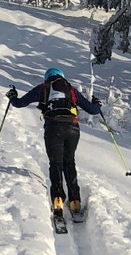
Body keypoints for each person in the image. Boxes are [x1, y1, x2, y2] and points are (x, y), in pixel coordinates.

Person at [7, 67, 104, 221]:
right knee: (69, 163)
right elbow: (93, 110)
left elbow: (19, 103)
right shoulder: (70, 90)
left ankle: (57, 201)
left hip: (53, 129)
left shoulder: (43, 88)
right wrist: (97, 103)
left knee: (56, 164)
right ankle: (75, 202)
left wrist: (12, 96)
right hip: (72, 129)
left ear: (47, 78)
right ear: (62, 77)